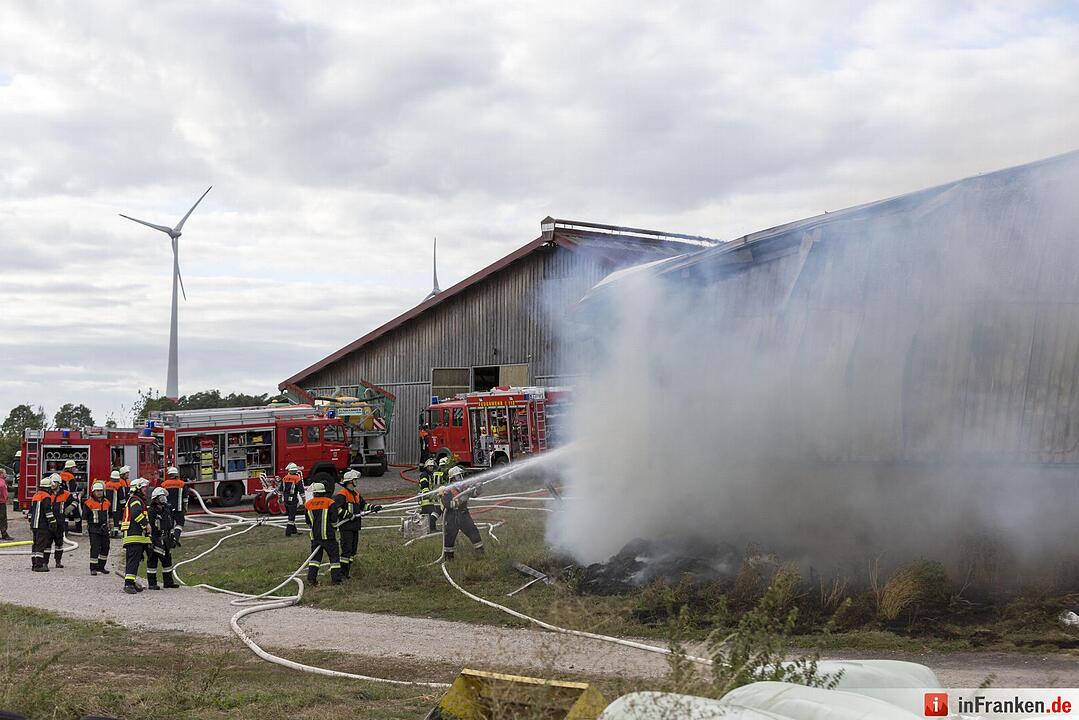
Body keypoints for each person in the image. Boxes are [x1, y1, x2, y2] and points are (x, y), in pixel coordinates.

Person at [333, 471, 381, 579]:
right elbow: (336, 508)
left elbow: (364, 506)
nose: (356, 481)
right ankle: (343, 574)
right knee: (346, 551)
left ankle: (347, 573)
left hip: (355, 526)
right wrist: (348, 515)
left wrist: (374, 507)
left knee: (352, 551)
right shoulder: (342, 494)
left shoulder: (356, 494)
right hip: (346, 527)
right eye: (355, 480)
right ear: (350, 481)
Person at [439, 466, 484, 561]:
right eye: (458, 476)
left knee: (473, 532)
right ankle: (449, 559)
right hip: (452, 518)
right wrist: (461, 500)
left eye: (461, 475)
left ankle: (481, 554)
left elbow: (474, 494)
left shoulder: (464, 487)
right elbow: (447, 504)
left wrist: (478, 488)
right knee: (449, 538)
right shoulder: (447, 490)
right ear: (452, 478)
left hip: (463, 515)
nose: (461, 478)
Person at [304, 482, 342, 585]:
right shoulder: (330, 502)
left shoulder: (308, 504)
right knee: (334, 559)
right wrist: (334, 528)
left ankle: (311, 580)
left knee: (315, 560)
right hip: (328, 536)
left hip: (315, 537)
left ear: (314, 493)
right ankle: (336, 580)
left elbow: (308, 521)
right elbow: (334, 519)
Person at [120, 477, 152, 594]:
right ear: (137, 488)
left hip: (136, 536)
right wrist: (146, 524)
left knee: (134, 560)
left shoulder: (137, 500)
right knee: (133, 560)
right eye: (143, 487)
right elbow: (135, 513)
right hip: (134, 535)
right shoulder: (135, 500)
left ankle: (131, 582)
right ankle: (128, 585)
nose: (145, 490)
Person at [147, 487, 180, 590]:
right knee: (153, 560)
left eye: (164, 497)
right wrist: (150, 540)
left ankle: (168, 582)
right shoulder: (151, 511)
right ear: (155, 499)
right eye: (161, 497)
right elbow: (150, 526)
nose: (164, 500)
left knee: (167, 561)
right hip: (155, 538)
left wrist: (173, 537)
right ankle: (152, 583)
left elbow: (170, 523)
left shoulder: (167, 509)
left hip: (166, 538)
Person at [27, 475, 62, 572]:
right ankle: (39, 565)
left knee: (35, 544)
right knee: (41, 545)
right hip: (42, 525)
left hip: (34, 524)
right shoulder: (46, 496)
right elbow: (48, 511)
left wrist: (31, 521)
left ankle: (34, 564)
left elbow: (31, 511)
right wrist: (53, 522)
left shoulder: (36, 495)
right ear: (48, 488)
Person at [83, 480, 111, 576]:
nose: (99, 492)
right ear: (93, 492)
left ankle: (101, 566)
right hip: (94, 528)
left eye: (101, 491)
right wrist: (84, 530)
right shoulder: (88, 503)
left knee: (105, 547)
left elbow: (110, 516)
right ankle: (93, 568)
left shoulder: (107, 502)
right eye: (97, 491)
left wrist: (111, 528)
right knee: (95, 548)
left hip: (104, 528)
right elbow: (84, 517)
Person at [50, 475, 78, 567]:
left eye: (54, 482)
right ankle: (45, 562)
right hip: (49, 522)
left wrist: (67, 510)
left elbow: (75, 502)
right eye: (51, 483)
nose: (52, 484)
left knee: (59, 543)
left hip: (60, 522)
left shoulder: (66, 494)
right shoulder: (47, 493)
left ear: (59, 483)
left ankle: (58, 562)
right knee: (46, 544)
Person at [160, 466, 187, 546]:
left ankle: (169, 541)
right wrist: (185, 508)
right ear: (176, 474)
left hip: (168, 509)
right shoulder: (182, 484)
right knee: (180, 523)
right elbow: (185, 498)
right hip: (179, 508)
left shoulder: (164, 484)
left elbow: (161, 497)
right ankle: (176, 537)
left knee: (169, 525)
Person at [417, 458, 440, 533]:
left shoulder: (430, 475)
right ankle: (432, 529)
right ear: (426, 467)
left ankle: (426, 528)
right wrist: (428, 494)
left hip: (428, 499)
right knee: (434, 512)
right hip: (426, 499)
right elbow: (424, 485)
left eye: (432, 466)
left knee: (426, 515)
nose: (431, 467)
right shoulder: (424, 475)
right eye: (430, 466)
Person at [281, 462, 303, 536]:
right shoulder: (297, 478)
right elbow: (301, 491)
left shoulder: (284, 478)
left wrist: (280, 498)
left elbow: (280, 489)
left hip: (285, 499)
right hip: (292, 499)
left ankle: (294, 531)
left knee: (290, 514)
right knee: (292, 516)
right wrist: (304, 500)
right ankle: (288, 532)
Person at [60, 459, 82, 533]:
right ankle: (78, 529)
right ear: (70, 468)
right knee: (76, 513)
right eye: (73, 467)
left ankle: (64, 530)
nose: (75, 469)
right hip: (70, 497)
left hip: (62, 497)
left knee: (65, 514)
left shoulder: (61, 474)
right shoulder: (70, 476)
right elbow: (72, 489)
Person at [105, 470, 124, 538]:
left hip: (107, 505)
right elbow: (121, 498)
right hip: (115, 506)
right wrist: (123, 506)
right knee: (116, 519)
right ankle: (115, 532)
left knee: (109, 518)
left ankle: (109, 531)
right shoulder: (118, 485)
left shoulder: (106, 484)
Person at [0, 469, 12, 541]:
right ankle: (4, 534)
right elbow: (2, 488)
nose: (6, 475)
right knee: (3, 518)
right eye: (5, 473)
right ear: (1, 473)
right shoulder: (2, 482)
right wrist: (6, 497)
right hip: (1, 503)